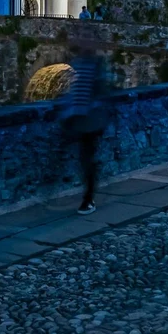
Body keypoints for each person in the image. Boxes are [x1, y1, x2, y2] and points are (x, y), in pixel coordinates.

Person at [60, 41, 110, 215]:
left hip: (91, 120)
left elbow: (101, 92)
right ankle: (86, 193)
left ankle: (88, 198)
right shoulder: (78, 63)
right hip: (77, 118)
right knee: (82, 158)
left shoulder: (96, 65)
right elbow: (74, 90)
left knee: (87, 158)